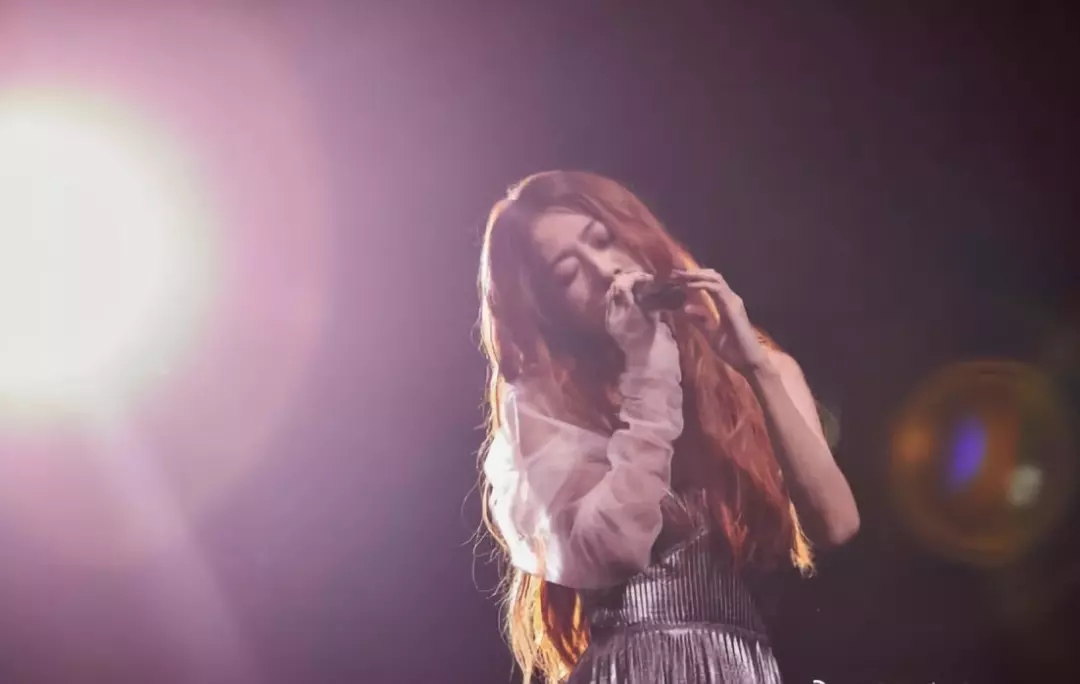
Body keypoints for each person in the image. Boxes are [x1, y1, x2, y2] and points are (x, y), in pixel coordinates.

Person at [477, 170, 859, 684]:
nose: (604, 270)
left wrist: (757, 369)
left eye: (603, 240)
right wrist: (645, 369)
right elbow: (614, 547)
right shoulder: (548, 408)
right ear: (550, 311)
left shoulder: (757, 373)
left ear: (637, 232)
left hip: (738, 667)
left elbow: (836, 525)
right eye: (568, 274)